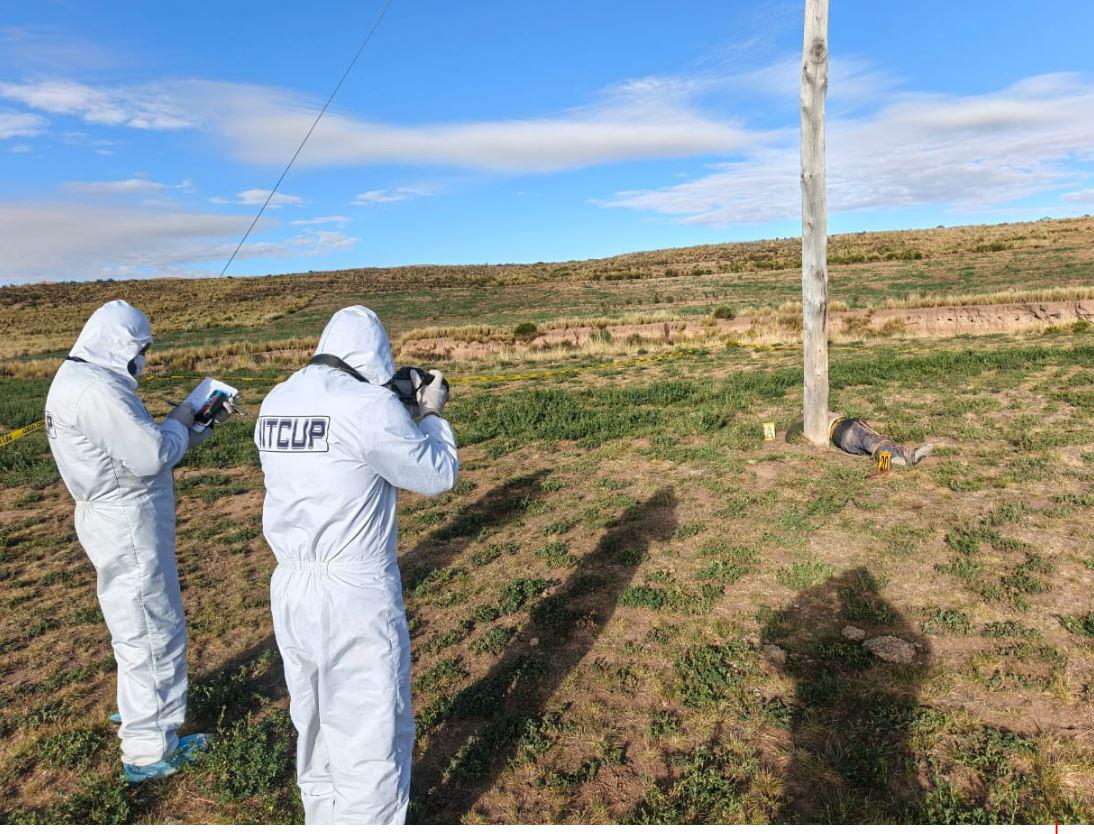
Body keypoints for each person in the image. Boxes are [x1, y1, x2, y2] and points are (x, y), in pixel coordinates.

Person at [255, 305, 458, 825]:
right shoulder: (370, 409)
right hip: (354, 590)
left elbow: (336, 457)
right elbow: (434, 475)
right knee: (371, 730)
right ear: (376, 355)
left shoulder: (277, 399)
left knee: (316, 720)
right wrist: (430, 413)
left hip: (292, 586)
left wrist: (391, 408)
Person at [44, 300, 210, 783]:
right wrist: (185, 419)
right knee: (152, 625)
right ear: (122, 345)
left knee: (130, 619)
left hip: (107, 514)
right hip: (126, 519)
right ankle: (148, 747)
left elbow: (134, 448)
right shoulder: (98, 390)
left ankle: (140, 707)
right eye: (142, 349)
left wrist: (183, 426)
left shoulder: (78, 379)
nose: (145, 360)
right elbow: (150, 455)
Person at [788, 412, 932, 466]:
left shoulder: (821, 410)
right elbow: (791, 435)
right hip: (842, 430)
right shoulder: (807, 419)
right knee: (869, 440)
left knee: (871, 441)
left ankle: (894, 460)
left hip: (844, 432)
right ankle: (906, 456)